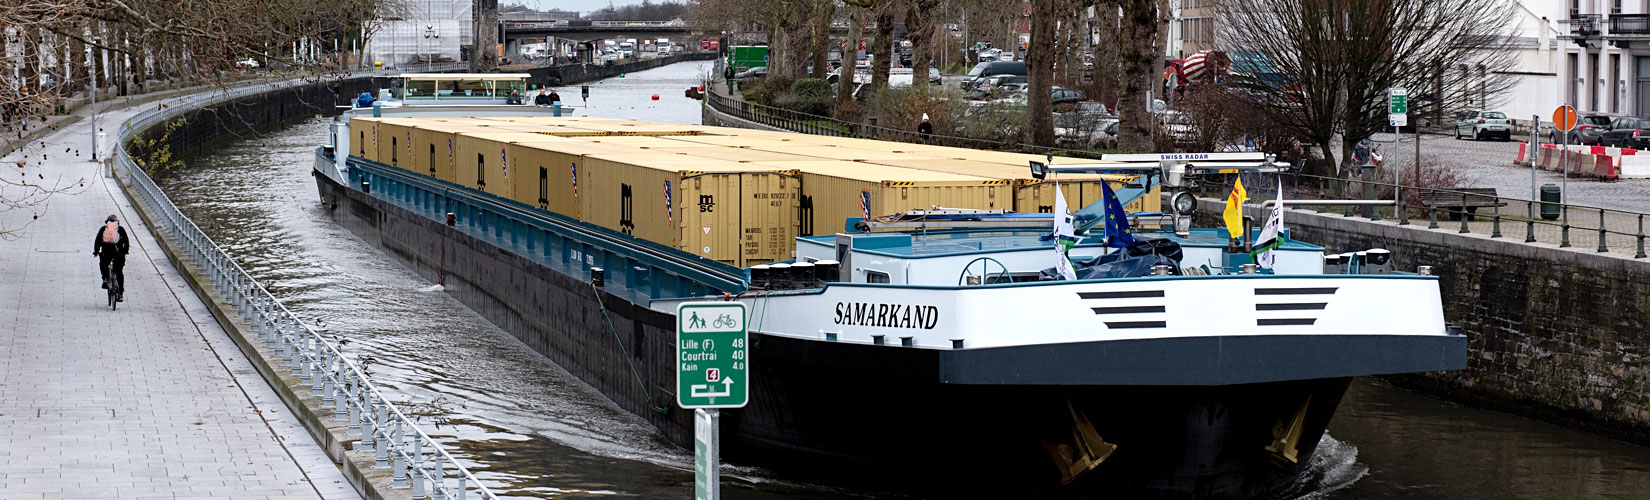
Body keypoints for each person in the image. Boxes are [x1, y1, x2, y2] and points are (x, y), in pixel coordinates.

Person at [93, 214, 130, 301]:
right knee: (119, 272)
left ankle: (105, 279)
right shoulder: (120, 229)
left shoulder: (103, 229)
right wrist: (125, 251)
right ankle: (120, 293)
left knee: (103, 264)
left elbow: (98, 240)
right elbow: (126, 241)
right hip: (118, 253)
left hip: (106, 252)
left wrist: (96, 251)